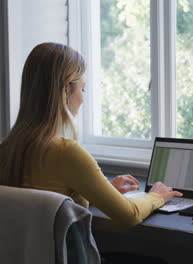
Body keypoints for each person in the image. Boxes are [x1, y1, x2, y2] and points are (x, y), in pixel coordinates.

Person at [0, 42, 182, 226]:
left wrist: (101, 192)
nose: (82, 97)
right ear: (66, 89)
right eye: (82, 88)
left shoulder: (7, 148)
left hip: (20, 255)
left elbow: (49, 203)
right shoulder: (66, 152)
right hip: (63, 255)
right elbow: (130, 215)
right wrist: (156, 196)